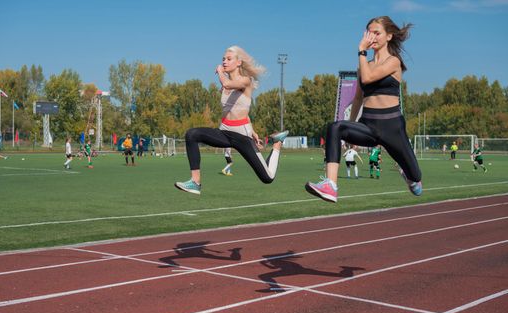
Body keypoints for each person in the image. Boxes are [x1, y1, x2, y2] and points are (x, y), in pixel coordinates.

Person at [305, 16, 422, 202]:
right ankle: (331, 185)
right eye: (369, 33)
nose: (372, 37)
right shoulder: (363, 66)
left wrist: (361, 51)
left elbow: (368, 79)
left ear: (389, 36)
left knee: (416, 180)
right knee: (335, 127)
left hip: (392, 127)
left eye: (377, 33)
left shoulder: (393, 62)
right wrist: (350, 128)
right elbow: (358, 97)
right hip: (369, 125)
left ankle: (407, 174)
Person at [174, 45, 289, 195]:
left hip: (241, 136)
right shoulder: (225, 84)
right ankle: (195, 182)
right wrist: (253, 129)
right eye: (223, 59)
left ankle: (277, 143)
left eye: (229, 59)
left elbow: (229, 86)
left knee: (267, 177)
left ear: (239, 62)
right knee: (192, 134)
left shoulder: (246, 81)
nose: (224, 62)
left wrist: (221, 73)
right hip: (224, 131)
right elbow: (239, 108)